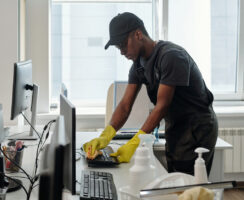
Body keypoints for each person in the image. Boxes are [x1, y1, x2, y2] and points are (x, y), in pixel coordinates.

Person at [83, 12, 218, 176]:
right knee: (175, 179)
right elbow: (125, 106)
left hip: (197, 126)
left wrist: (135, 143)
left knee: (188, 183)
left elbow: (162, 106)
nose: (122, 52)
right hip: (176, 124)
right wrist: (106, 135)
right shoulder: (137, 66)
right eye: (118, 48)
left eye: (123, 45)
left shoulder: (171, 57)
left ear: (138, 34)